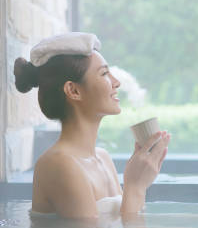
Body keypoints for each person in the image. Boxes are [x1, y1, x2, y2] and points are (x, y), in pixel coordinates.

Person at [14, 32, 171, 218]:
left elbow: (125, 227)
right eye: (104, 73)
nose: (116, 82)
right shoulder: (59, 165)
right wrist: (136, 186)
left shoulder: (103, 158)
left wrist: (140, 182)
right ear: (73, 90)